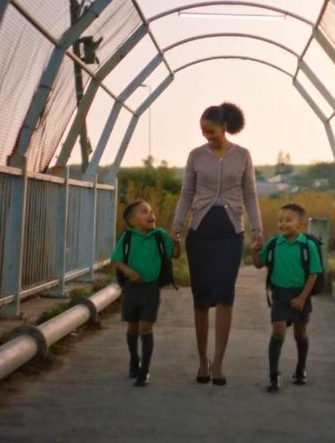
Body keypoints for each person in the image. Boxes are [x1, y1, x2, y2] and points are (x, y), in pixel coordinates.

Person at [171, 102, 263, 386]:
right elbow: (187, 193)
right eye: (202, 131)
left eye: (210, 130)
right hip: (200, 233)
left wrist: (257, 229)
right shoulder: (195, 156)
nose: (206, 136)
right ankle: (203, 360)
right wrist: (176, 226)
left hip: (231, 234)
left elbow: (250, 194)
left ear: (225, 127)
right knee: (201, 299)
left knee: (225, 295)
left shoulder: (243, 155)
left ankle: (219, 363)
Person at [253, 203, 323, 393]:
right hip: (280, 295)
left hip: (302, 294)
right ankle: (273, 376)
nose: (283, 224)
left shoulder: (308, 246)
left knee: (300, 334)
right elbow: (259, 263)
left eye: (288, 220)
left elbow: (314, 274)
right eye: (280, 220)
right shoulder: (274, 243)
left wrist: (302, 298)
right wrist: (256, 249)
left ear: (300, 225)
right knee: (278, 331)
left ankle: (300, 370)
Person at [110, 200, 180, 387]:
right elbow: (116, 259)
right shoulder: (127, 237)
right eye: (144, 212)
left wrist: (177, 243)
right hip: (131, 289)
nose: (151, 215)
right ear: (133, 221)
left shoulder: (160, 235)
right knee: (133, 328)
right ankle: (134, 360)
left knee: (146, 328)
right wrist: (129, 272)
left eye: (151, 211)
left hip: (151, 288)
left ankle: (144, 371)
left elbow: (175, 254)